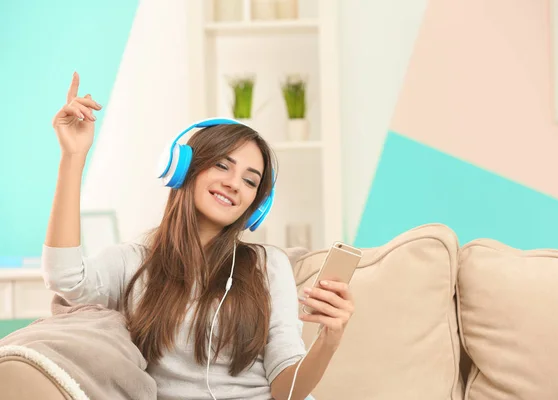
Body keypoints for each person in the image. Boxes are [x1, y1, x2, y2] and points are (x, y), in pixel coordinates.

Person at [42, 72, 355, 400]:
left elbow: (286, 392)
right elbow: (64, 277)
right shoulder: (133, 261)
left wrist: (329, 338)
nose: (234, 183)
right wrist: (73, 157)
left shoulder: (268, 265)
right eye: (222, 165)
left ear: (256, 206)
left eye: (250, 181)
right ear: (182, 167)